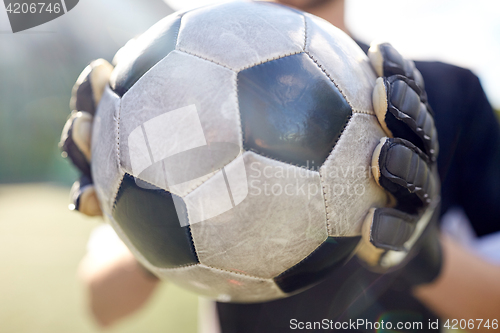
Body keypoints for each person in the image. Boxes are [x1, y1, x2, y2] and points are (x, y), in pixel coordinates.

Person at [62, 0, 500, 331]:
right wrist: (144, 220)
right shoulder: (180, 82)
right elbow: (102, 305)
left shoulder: (446, 93)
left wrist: (423, 253)